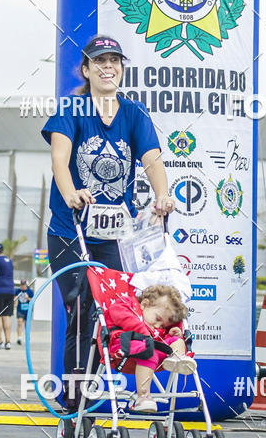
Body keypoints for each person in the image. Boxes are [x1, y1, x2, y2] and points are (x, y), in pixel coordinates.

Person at [41, 34, 174, 409]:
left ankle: (99, 393)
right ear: (86, 69)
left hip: (113, 235)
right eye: (99, 61)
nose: (108, 67)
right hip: (71, 233)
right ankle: (74, 402)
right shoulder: (72, 109)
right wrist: (70, 193)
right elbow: (60, 159)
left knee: (111, 314)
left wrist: (162, 194)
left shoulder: (134, 114)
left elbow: (152, 160)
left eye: (114, 61)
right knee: (83, 309)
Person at [104, 284, 189, 413]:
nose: (158, 325)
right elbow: (120, 315)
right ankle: (143, 397)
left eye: (162, 325)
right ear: (144, 305)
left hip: (152, 350)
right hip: (124, 346)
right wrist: (143, 331)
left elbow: (159, 338)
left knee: (176, 340)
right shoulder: (126, 305)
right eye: (158, 319)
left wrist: (170, 334)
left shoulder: (155, 328)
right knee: (149, 351)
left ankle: (178, 358)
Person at [14, 278, 34, 345]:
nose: (22, 286)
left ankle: (27, 338)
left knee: (26, 324)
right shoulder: (17, 291)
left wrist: (27, 298)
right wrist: (15, 299)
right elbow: (14, 298)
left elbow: (32, 300)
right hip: (20, 309)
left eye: (24, 285)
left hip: (27, 310)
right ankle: (19, 338)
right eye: (21, 285)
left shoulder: (30, 291)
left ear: (26, 285)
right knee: (19, 323)